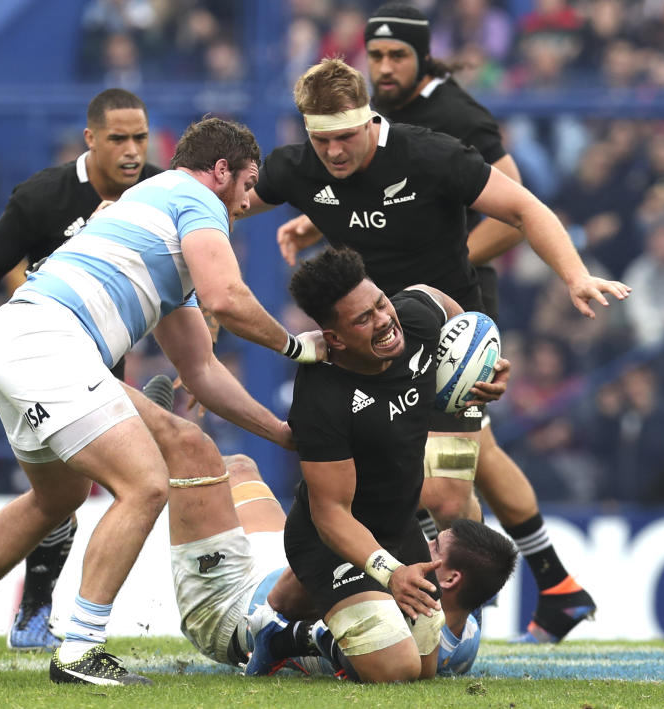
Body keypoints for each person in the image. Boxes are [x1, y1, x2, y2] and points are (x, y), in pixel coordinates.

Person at [0, 116, 326, 686]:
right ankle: (80, 648)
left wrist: (279, 431)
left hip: (16, 337)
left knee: (56, 497)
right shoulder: (195, 198)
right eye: (249, 183)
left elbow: (201, 371)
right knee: (146, 483)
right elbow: (226, 298)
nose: (250, 201)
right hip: (50, 342)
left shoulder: (154, 213)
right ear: (221, 171)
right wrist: (299, 346)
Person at [246, 49, 629, 642]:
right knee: (370, 500)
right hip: (361, 353)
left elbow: (524, 207)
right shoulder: (299, 169)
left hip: (442, 343)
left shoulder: (431, 153)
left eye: (348, 137)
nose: (336, 153)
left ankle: (458, 627)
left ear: (371, 119)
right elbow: (225, 204)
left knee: (448, 495)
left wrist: (575, 275)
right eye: (323, 143)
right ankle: (289, 621)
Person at [0, 88, 162, 652]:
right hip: (43, 357)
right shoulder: (44, 196)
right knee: (122, 485)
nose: (133, 151)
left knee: (60, 494)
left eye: (140, 137)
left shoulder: (159, 191)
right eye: (119, 139)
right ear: (91, 139)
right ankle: (62, 627)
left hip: (103, 361)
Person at [247, 247, 509, 684]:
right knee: (395, 669)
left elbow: (433, 296)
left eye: (380, 303)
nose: (385, 320)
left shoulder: (416, 321)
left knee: (429, 668)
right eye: (363, 320)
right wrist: (391, 572)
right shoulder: (321, 393)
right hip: (332, 541)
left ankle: (306, 616)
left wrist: (478, 356)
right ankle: (289, 637)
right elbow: (329, 513)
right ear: (334, 339)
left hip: (398, 526)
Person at [167, 444, 517, 680]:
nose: (425, 543)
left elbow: (283, 601)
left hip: (235, 609)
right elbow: (462, 511)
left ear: (451, 578)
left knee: (189, 451)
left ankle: (130, 425)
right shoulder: (465, 633)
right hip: (281, 565)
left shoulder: (399, 637)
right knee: (240, 465)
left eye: (435, 545)